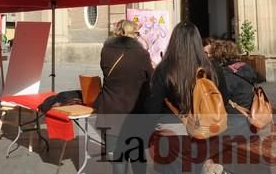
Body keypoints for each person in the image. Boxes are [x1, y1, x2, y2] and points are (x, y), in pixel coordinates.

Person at [146, 21, 227, 174]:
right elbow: (224, 99)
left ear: (174, 41)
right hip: (206, 133)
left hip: (172, 137)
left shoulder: (164, 69)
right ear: (197, 41)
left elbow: (152, 108)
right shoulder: (213, 68)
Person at [95, 20, 153, 174]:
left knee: (118, 157)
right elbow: (150, 80)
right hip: (135, 112)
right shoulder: (142, 54)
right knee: (137, 156)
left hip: (111, 111)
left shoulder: (105, 51)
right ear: (133, 34)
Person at [209, 39, 258, 138]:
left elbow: (220, 100)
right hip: (251, 118)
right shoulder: (246, 68)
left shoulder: (225, 74)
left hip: (235, 125)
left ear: (219, 55)